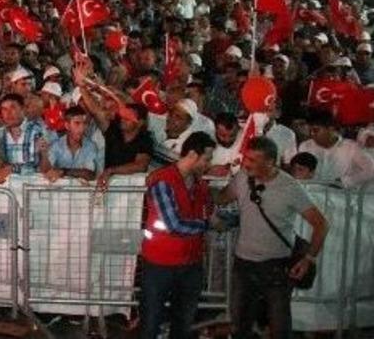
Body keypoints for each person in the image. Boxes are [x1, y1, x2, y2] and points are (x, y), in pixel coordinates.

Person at [214, 137, 329, 339]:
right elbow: (222, 197)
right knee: (240, 324)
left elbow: (321, 224)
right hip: (243, 264)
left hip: (277, 266)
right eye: (246, 158)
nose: (245, 163)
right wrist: (202, 180)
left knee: (279, 325)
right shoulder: (242, 177)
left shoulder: (290, 187)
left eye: (252, 160)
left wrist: (308, 258)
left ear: (270, 162)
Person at [139, 131, 216, 339]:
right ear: (192, 154)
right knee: (151, 324)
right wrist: (209, 225)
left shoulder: (201, 187)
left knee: (183, 324)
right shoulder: (163, 181)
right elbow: (173, 225)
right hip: (159, 264)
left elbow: (208, 211)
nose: (208, 165)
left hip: (190, 264)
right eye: (207, 159)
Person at [297, 109, 374, 187]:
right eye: (309, 131)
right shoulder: (305, 146)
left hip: (339, 196)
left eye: (315, 130)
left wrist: (345, 181)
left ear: (331, 129)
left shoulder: (351, 148)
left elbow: (370, 170)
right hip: (311, 193)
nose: (312, 134)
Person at [40, 106, 101, 182]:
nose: (82, 128)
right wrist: (44, 154)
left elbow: (90, 174)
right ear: (67, 126)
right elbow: (46, 172)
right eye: (77, 123)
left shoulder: (90, 146)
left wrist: (63, 171)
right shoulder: (57, 145)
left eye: (84, 124)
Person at [0, 94, 45, 182]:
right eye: (4, 109)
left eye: (13, 108)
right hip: (7, 187)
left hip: (30, 187)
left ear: (23, 109)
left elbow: (37, 166)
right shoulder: (0, 134)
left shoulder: (36, 130)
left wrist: (12, 168)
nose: (8, 113)